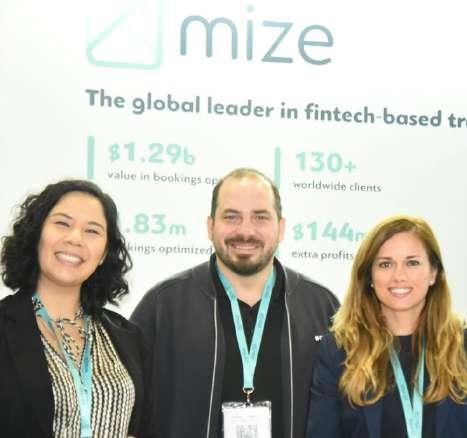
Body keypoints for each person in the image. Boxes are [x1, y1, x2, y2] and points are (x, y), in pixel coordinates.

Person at [131, 167, 339, 438]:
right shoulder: (163, 307)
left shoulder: (321, 307)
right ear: (210, 226)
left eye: (260, 217)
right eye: (231, 217)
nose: (245, 231)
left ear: (281, 228)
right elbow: (131, 413)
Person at [0, 179, 145, 438]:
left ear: (103, 254)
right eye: (62, 224)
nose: (75, 238)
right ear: (36, 235)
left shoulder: (128, 336)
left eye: (92, 231)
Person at [306, 215, 467, 438]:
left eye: (412, 262)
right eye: (385, 264)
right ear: (370, 277)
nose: (399, 276)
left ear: (433, 273)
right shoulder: (337, 351)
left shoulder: (462, 346)